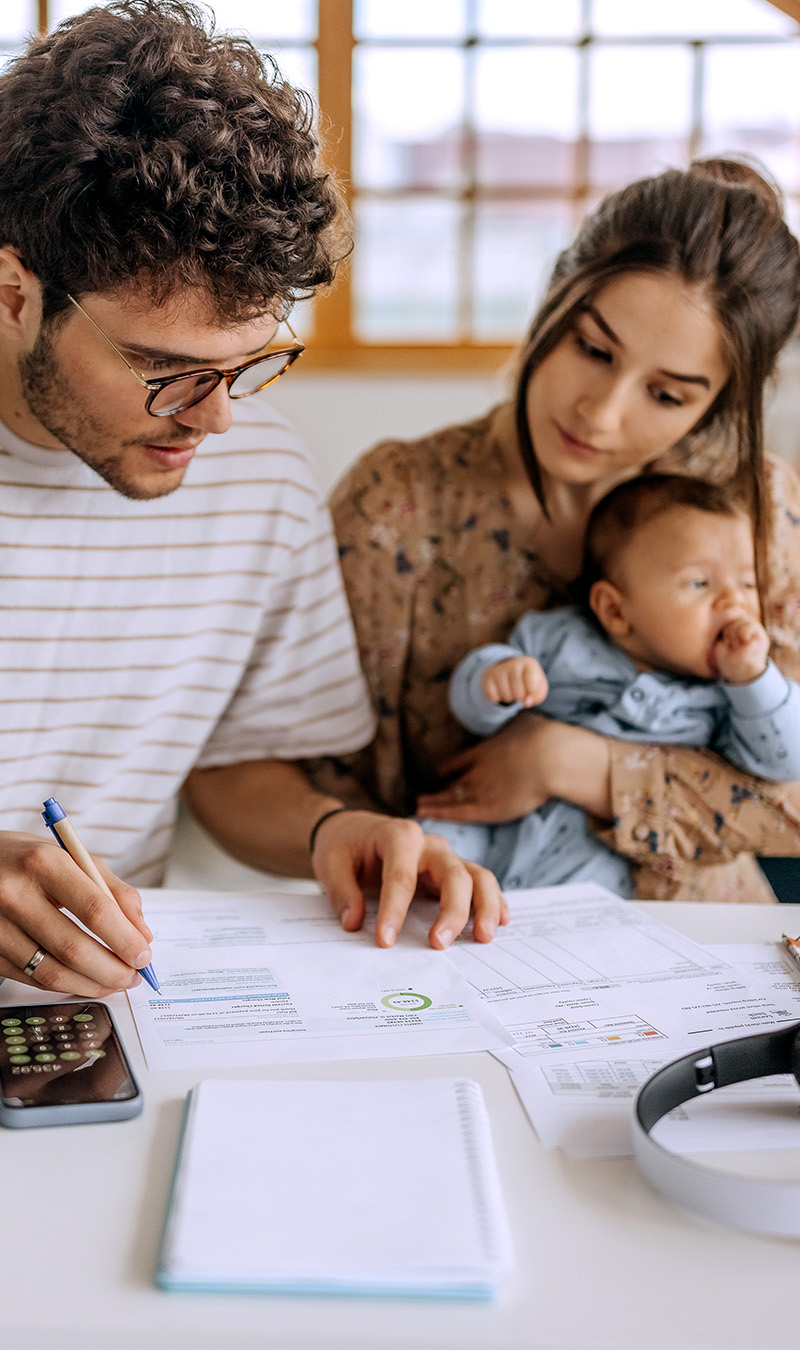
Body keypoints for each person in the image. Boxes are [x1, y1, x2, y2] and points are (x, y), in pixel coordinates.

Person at [0, 0, 507, 1000]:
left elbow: (235, 768)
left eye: (250, 364)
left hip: (97, 1013)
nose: (216, 420)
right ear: (15, 295)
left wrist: (331, 831)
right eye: (164, 368)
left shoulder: (259, 473)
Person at [322, 156, 800, 905]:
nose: (601, 413)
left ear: (717, 405)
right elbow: (308, 782)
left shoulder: (761, 512)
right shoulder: (397, 504)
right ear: (553, 294)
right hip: (461, 934)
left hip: (712, 959)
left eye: (667, 394)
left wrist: (566, 761)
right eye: (593, 350)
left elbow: (793, 797)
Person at [417, 474, 800, 895]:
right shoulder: (561, 638)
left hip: (597, 849)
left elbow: (783, 762)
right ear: (615, 610)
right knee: (428, 847)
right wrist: (495, 680)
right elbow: (473, 713)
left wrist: (753, 679)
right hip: (497, 820)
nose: (735, 602)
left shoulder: (731, 697)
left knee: (581, 909)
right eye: (699, 583)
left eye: (748, 584)